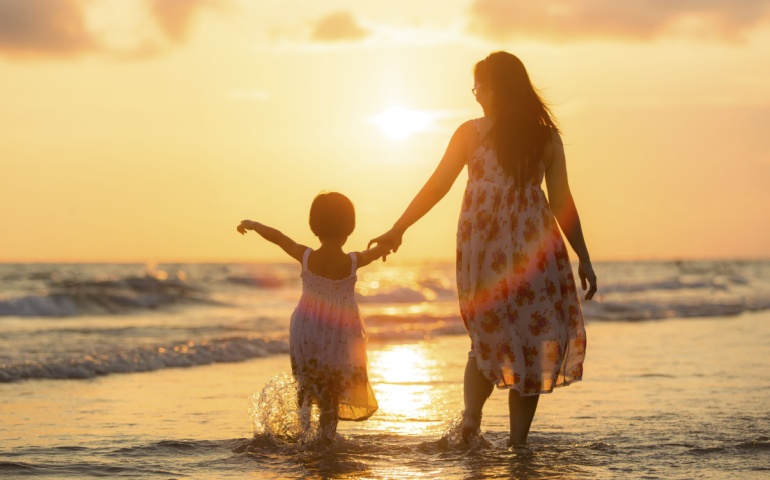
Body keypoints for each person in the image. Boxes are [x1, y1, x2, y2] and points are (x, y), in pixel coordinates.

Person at [369, 51, 597, 447]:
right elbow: (561, 201)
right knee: (529, 340)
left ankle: (471, 423)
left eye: (478, 85)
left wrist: (398, 228)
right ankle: (517, 444)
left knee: (487, 337)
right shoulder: (544, 136)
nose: (475, 94)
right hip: (534, 252)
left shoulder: (472, 133)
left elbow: (438, 185)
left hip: (485, 250)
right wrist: (583, 256)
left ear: (496, 88)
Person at [237, 192, 389, 443]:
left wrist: (253, 225)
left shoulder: (306, 256)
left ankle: (304, 433)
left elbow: (278, 238)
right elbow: (379, 251)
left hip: (306, 329)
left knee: (306, 383)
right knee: (332, 388)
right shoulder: (352, 261)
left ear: (314, 226)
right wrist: (389, 242)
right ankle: (326, 437)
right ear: (349, 228)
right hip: (340, 334)